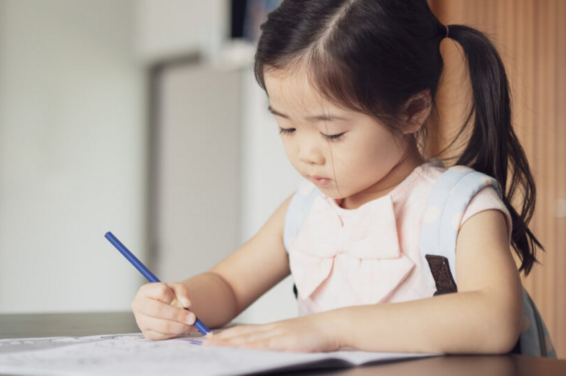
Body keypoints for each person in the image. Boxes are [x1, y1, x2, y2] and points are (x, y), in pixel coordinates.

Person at [131, 0, 543, 354]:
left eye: (332, 133)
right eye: (287, 128)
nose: (305, 154)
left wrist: (329, 330)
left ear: (412, 111)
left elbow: (494, 317)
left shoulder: (458, 209)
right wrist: (178, 302)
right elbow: (228, 285)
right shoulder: (307, 208)